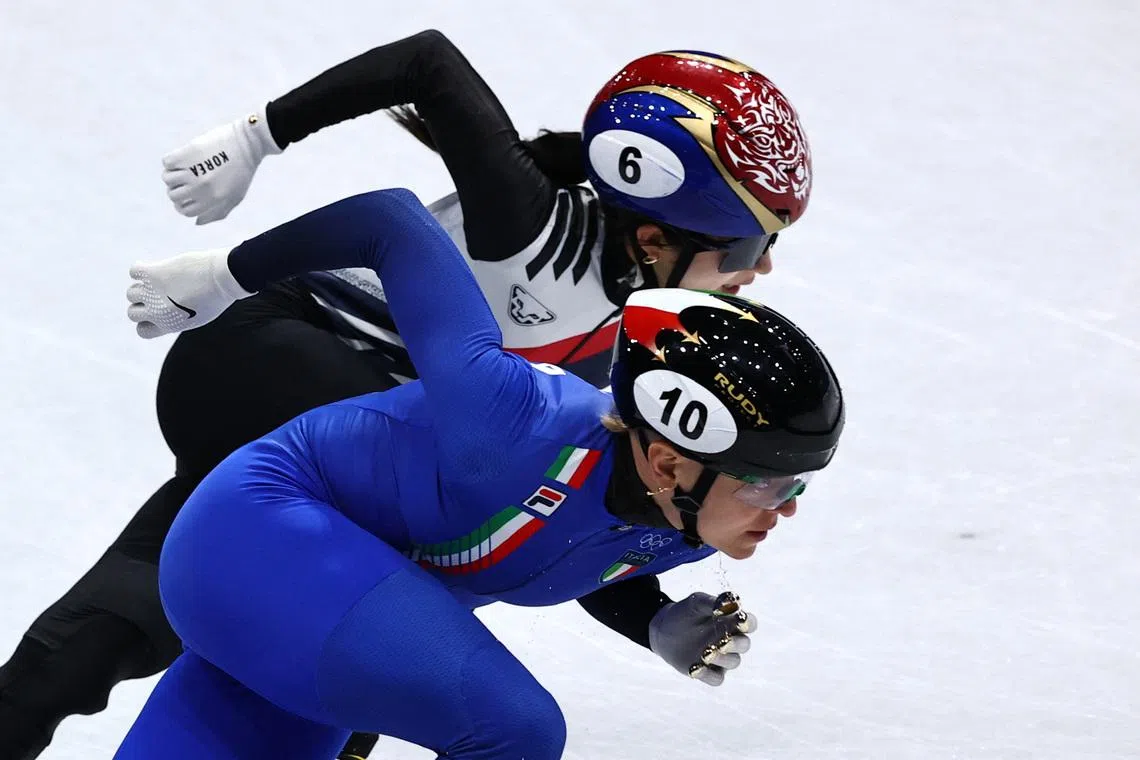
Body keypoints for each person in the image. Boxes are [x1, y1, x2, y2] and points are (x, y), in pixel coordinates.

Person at [0, 31, 813, 760]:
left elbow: (584, 514)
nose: (764, 270)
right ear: (651, 237)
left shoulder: (632, 337)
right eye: (753, 243)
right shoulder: (532, 225)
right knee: (400, 562)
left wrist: (651, 618)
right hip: (272, 351)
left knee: (159, 615)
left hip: (349, 422)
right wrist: (253, 150)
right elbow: (428, 65)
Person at [115, 186, 844, 759]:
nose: (785, 508)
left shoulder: (690, 519)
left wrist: (650, 620)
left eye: (796, 485)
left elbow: (575, 537)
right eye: (769, 484)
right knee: (516, 731)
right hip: (256, 537)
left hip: (316, 597)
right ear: (667, 459)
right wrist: (225, 274)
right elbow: (393, 223)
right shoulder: (510, 417)